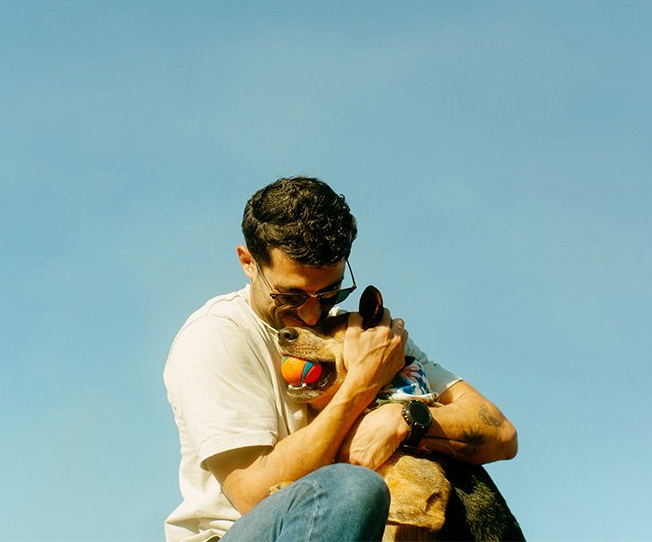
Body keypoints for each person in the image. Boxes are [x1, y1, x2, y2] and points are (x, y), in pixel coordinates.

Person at [163, 176, 518, 542]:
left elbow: (502, 435)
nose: (312, 314)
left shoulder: (358, 335)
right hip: (247, 532)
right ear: (248, 262)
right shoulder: (217, 335)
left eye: (330, 292)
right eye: (291, 296)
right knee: (354, 488)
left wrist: (402, 418)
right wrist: (361, 384)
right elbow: (252, 495)